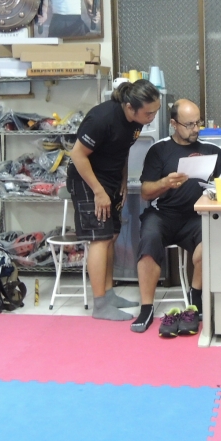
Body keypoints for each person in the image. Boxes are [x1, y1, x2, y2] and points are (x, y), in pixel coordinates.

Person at [130, 99, 221, 336]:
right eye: (189, 124)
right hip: (163, 215)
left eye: (198, 123)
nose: (195, 129)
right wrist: (165, 183)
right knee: (149, 240)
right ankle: (146, 308)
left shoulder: (211, 150)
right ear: (174, 124)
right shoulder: (159, 150)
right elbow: (145, 192)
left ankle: (195, 298)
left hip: (197, 216)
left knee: (212, 240)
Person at [68, 79, 161, 321]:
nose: (152, 117)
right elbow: (77, 154)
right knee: (99, 238)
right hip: (87, 180)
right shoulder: (102, 118)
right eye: (148, 113)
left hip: (111, 179)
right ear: (130, 107)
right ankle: (100, 305)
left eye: (156, 111)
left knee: (111, 236)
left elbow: (123, 149)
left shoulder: (135, 122)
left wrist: (122, 179)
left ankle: (108, 294)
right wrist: (98, 191)